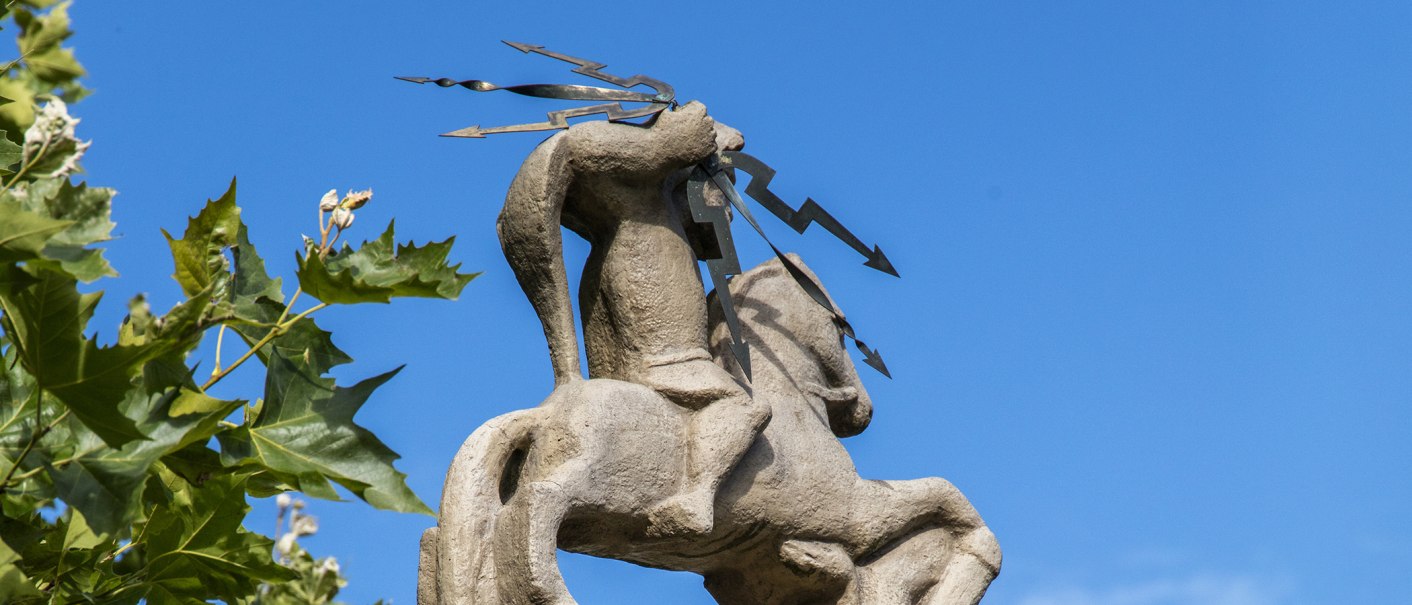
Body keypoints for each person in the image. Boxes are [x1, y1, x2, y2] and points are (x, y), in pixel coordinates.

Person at [497, 101, 768, 537]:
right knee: (746, 402)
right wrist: (666, 144)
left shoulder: (628, 217)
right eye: (724, 189)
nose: (727, 211)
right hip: (653, 314)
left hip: (625, 328)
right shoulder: (648, 203)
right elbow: (577, 146)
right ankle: (697, 497)